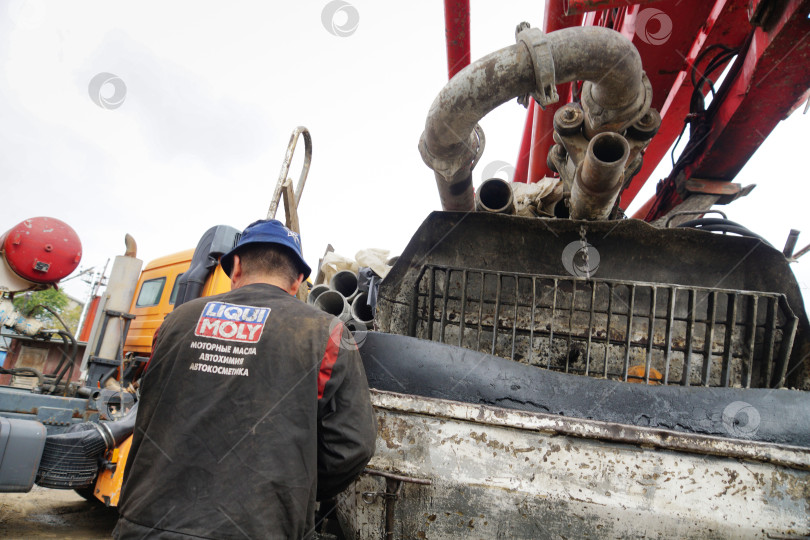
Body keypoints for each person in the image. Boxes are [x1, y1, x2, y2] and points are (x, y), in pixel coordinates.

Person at [114, 219, 376, 539]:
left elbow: (149, 411)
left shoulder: (176, 323)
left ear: (235, 267)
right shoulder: (328, 333)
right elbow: (353, 446)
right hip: (262, 529)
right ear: (299, 280)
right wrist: (289, 489)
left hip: (146, 523)